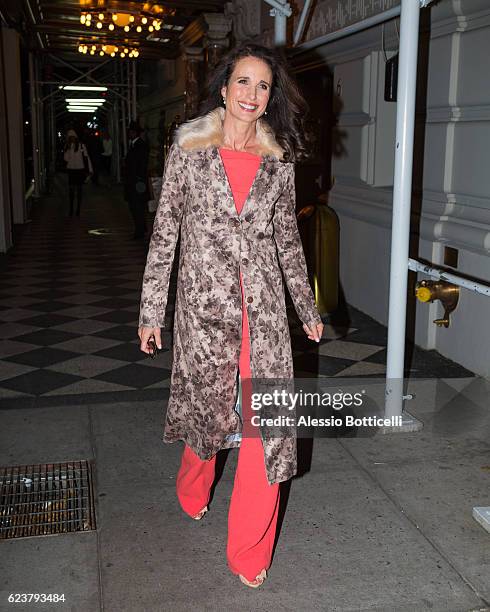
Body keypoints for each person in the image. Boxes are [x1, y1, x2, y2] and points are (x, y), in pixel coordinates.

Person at [137, 41, 324, 588]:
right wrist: (151, 308)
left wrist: (305, 307)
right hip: (204, 313)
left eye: (262, 85)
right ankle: (194, 482)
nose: (251, 93)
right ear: (224, 89)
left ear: (270, 99)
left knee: (264, 431)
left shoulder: (276, 163)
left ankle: (249, 549)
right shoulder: (190, 153)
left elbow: (287, 240)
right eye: (243, 81)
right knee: (207, 426)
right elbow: (165, 231)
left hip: (263, 317)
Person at [124, 121, 149, 239]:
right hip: (134, 182)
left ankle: (139, 231)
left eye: (131, 131)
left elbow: (141, 164)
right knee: (137, 206)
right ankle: (142, 227)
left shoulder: (140, 145)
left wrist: (138, 179)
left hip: (137, 183)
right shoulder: (134, 144)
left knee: (136, 207)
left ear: (135, 133)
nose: (129, 133)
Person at [63, 129, 92, 216]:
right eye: (70, 138)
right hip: (74, 170)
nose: (71, 139)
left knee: (77, 190)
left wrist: (89, 169)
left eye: (72, 137)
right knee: (74, 190)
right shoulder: (69, 146)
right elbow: (66, 159)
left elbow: (86, 157)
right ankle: (73, 209)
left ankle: (76, 209)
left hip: (78, 169)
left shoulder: (81, 146)